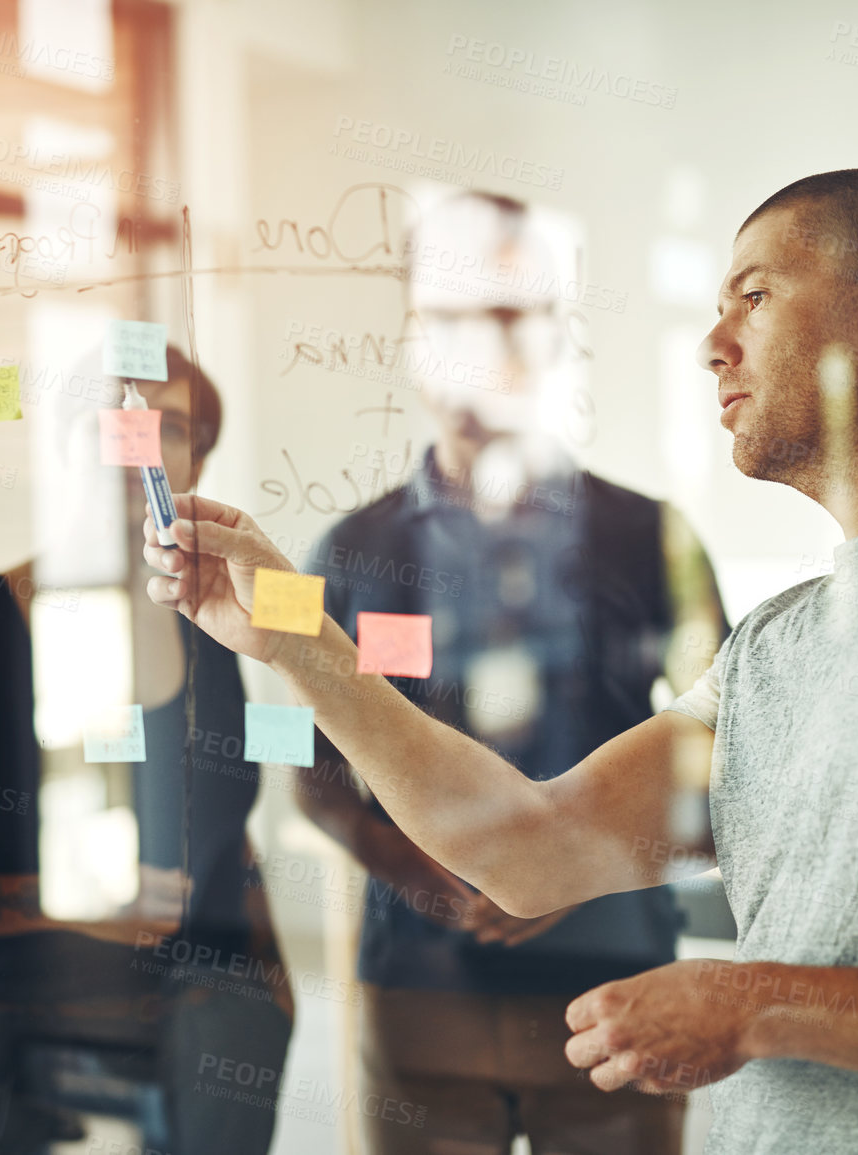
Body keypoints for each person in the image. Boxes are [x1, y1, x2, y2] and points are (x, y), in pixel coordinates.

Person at [140, 169, 858, 1153]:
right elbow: (529, 847)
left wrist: (751, 1003)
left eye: (753, 297)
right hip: (430, 996)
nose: (712, 342)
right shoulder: (780, 643)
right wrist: (297, 644)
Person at [299, 190, 726, 1155]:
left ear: (555, 329)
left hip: (616, 990)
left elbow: (720, 764)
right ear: (414, 331)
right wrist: (437, 883)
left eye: (511, 310)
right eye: (451, 312)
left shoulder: (653, 538)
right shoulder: (350, 550)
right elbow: (310, 773)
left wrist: (567, 872)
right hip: (424, 994)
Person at [0, 347, 293, 1155]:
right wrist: (62, 906)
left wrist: (269, 1001)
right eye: (108, 419)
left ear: (197, 459)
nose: (134, 443)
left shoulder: (211, 625)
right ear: (64, 443)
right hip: (20, 1054)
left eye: (167, 426)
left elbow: (225, 833)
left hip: (205, 1043)